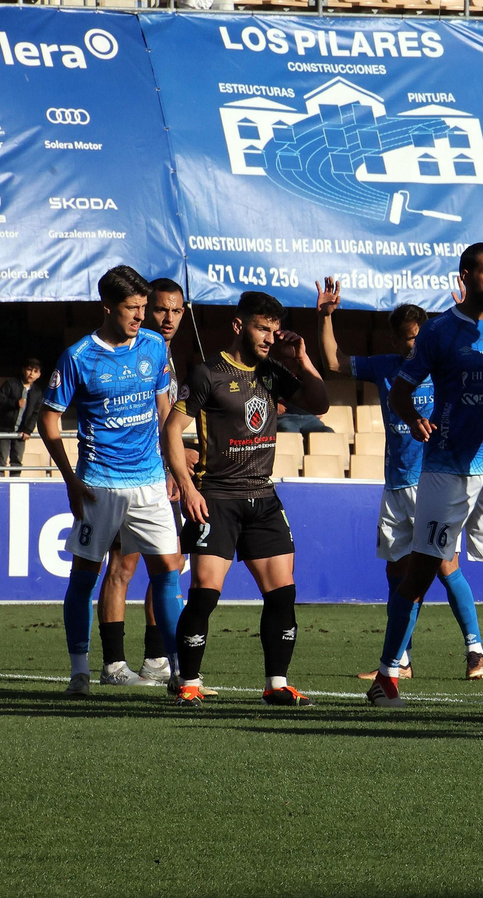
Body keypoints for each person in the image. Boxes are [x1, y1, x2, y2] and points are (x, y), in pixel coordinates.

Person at [365, 244, 483, 709]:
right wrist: (413, 417)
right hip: (446, 472)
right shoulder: (440, 332)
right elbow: (402, 391)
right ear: (466, 276)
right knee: (421, 571)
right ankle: (387, 676)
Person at [163, 290, 330, 708]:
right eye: (262, 328)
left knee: (283, 593)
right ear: (239, 326)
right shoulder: (208, 373)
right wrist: (187, 487)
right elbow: (171, 429)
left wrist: (303, 361)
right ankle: (190, 681)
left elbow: (321, 404)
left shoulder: (272, 372)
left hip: (263, 496)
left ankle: (277, 684)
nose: (271, 338)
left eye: (275, 330)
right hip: (216, 497)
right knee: (205, 592)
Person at [316, 281, 483, 682]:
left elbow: (479, 352)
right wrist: (326, 317)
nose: (414, 346)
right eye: (408, 339)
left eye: (419, 337)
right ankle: (402, 661)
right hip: (395, 486)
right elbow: (335, 361)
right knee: (397, 575)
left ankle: (476, 653)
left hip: (436, 481)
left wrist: (467, 314)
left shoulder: (444, 360)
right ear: (395, 338)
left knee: (446, 566)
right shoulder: (385, 367)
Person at [39, 267, 182, 696]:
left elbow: (162, 410)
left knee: (168, 575)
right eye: (133, 308)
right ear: (107, 307)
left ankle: (180, 672)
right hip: (99, 483)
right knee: (84, 577)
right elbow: (48, 419)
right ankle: (80, 672)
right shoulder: (79, 356)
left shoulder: (155, 347)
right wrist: (69, 478)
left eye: (144, 307)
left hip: (151, 482)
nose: (142, 316)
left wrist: (175, 467)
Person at [96, 278, 192, 690]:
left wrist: (179, 460)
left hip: (157, 474)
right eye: (158, 310)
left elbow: (166, 418)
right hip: (125, 474)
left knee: (169, 565)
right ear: (143, 308)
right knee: (122, 566)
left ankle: (156, 659)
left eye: (175, 311)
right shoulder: (135, 348)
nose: (166, 318)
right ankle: (114, 665)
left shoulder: (164, 353)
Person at [0, 359, 43, 476]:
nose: (31, 373)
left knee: (17, 461)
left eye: (35, 371)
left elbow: (36, 413)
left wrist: (28, 430)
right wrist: (15, 403)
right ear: (23, 370)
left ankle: (15, 484)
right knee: (1, 460)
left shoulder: (37, 392)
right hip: (4, 429)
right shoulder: (11, 384)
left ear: (39, 375)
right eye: (29, 370)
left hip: (21, 433)